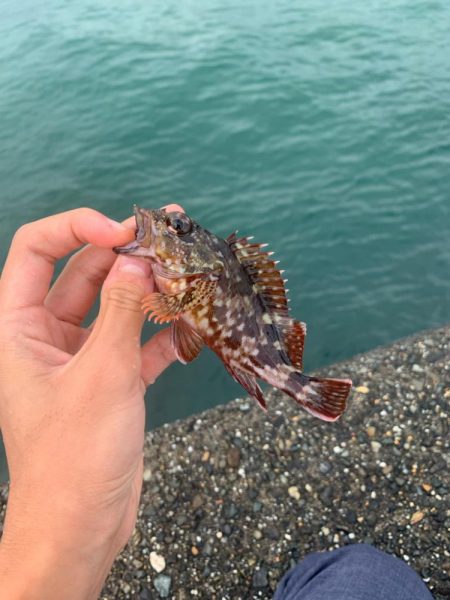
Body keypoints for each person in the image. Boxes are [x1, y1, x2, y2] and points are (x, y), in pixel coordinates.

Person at [0, 207, 433, 600]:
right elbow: (187, 338)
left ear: (200, 252)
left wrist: (169, 301)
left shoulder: (199, 278)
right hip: (225, 331)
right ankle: (304, 388)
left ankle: (304, 387)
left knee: (364, 573)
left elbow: (189, 312)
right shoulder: (184, 276)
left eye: (180, 229)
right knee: (373, 575)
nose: (165, 226)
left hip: (238, 335)